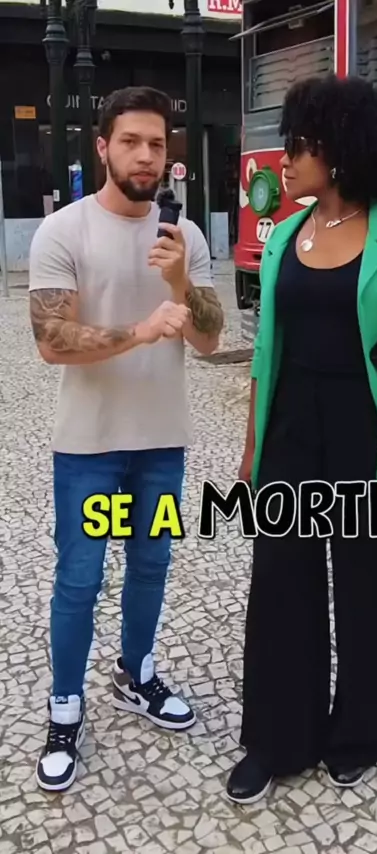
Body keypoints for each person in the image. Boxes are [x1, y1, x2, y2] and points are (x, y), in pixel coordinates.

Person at [226, 74, 377, 805]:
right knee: (280, 583)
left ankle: (356, 735)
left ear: (344, 149)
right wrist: (252, 444)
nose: (286, 159)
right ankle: (276, 739)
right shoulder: (287, 234)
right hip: (290, 431)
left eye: (301, 144)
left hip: (371, 433)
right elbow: (265, 350)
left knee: (365, 588)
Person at [28, 86, 224, 793]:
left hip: (162, 444)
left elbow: (210, 340)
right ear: (102, 147)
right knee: (80, 579)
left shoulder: (185, 237)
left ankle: (136, 672)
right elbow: (51, 341)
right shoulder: (64, 232)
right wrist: (141, 330)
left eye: (157, 145)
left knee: (151, 565)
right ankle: (65, 706)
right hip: (88, 446)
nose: (146, 156)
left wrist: (180, 280)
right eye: (132, 142)